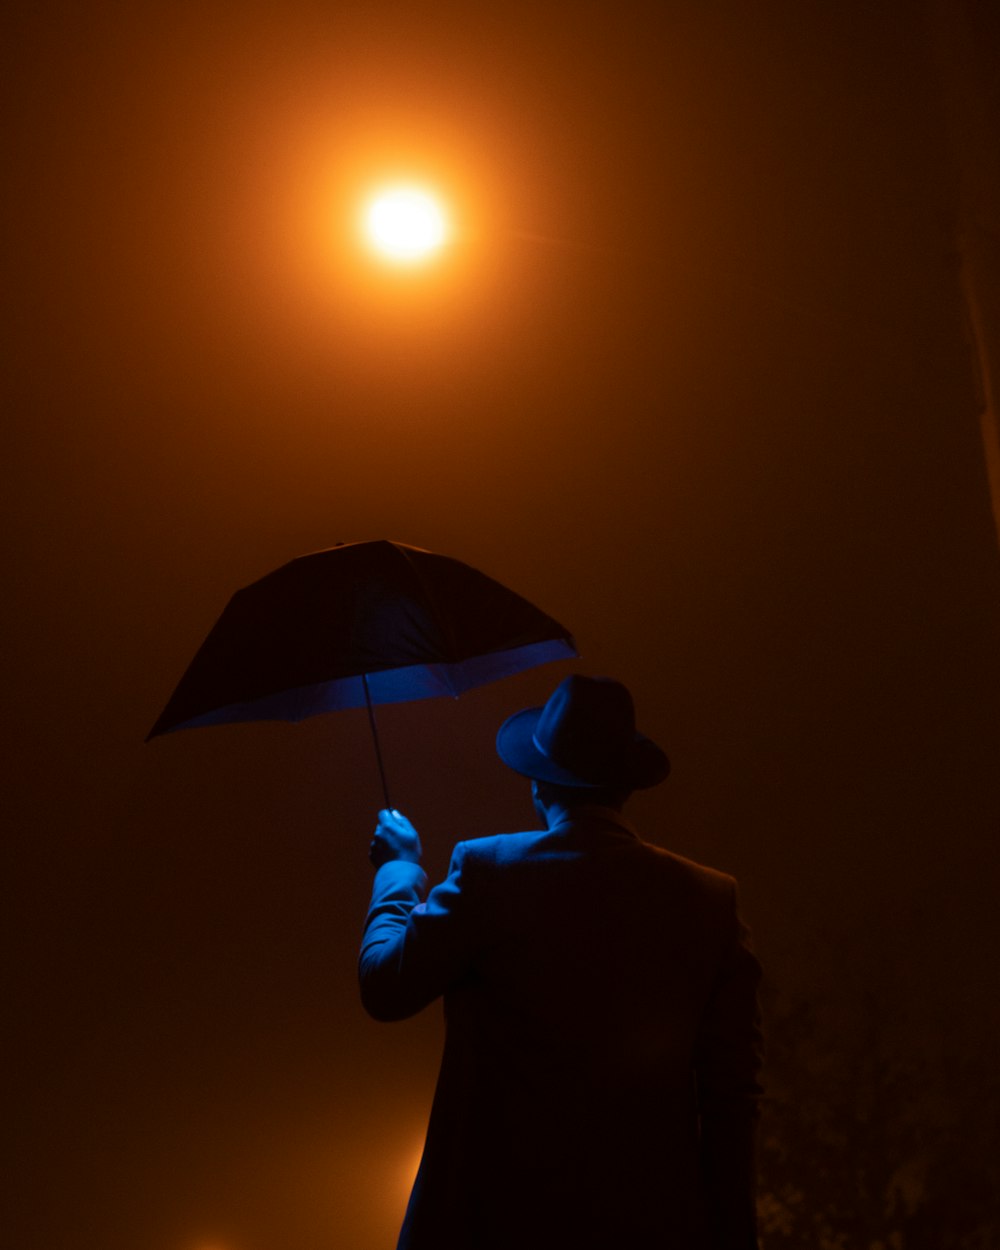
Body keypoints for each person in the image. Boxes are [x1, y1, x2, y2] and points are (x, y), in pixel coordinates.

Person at [359, 674, 764, 1250]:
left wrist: (396, 873)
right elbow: (732, 1102)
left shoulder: (487, 871)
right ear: (626, 787)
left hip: (491, 1226)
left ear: (536, 785)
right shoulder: (710, 902)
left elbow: (384, 987)